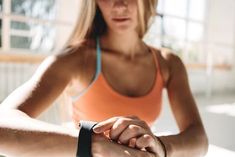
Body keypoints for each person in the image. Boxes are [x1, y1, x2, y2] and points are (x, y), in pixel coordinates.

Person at [0, 0, 208, 157]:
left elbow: (198, 138)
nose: (119, 5)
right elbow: (3, 123)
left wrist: (161, 146)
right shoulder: (75, 60)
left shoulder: (168, 63)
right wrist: (93, 143)